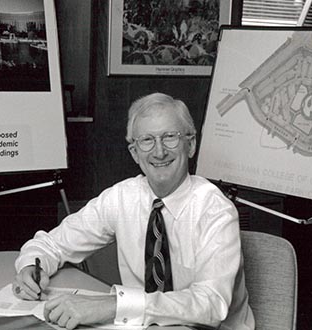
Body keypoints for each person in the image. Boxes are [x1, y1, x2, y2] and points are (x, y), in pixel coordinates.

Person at [13, 92, 255, 330]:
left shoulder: (216, 210)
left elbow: (211, 304)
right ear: (134, 153)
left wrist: (114, 305)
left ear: (190, 145)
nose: (159, 152)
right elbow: (52, 244)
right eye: (147, 140)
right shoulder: (121, 198)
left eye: (170, 137)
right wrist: (31, 267)